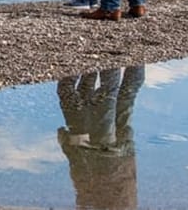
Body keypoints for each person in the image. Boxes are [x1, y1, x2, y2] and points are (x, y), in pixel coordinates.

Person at [56, 66, 145, 209]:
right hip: (104, 156)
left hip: (124, 158)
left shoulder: (129, 204)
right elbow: (81, 177)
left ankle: (137, 56)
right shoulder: (94, 203)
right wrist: (67, 145)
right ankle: (112, 58)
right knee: (108, 95)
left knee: (126, 94)